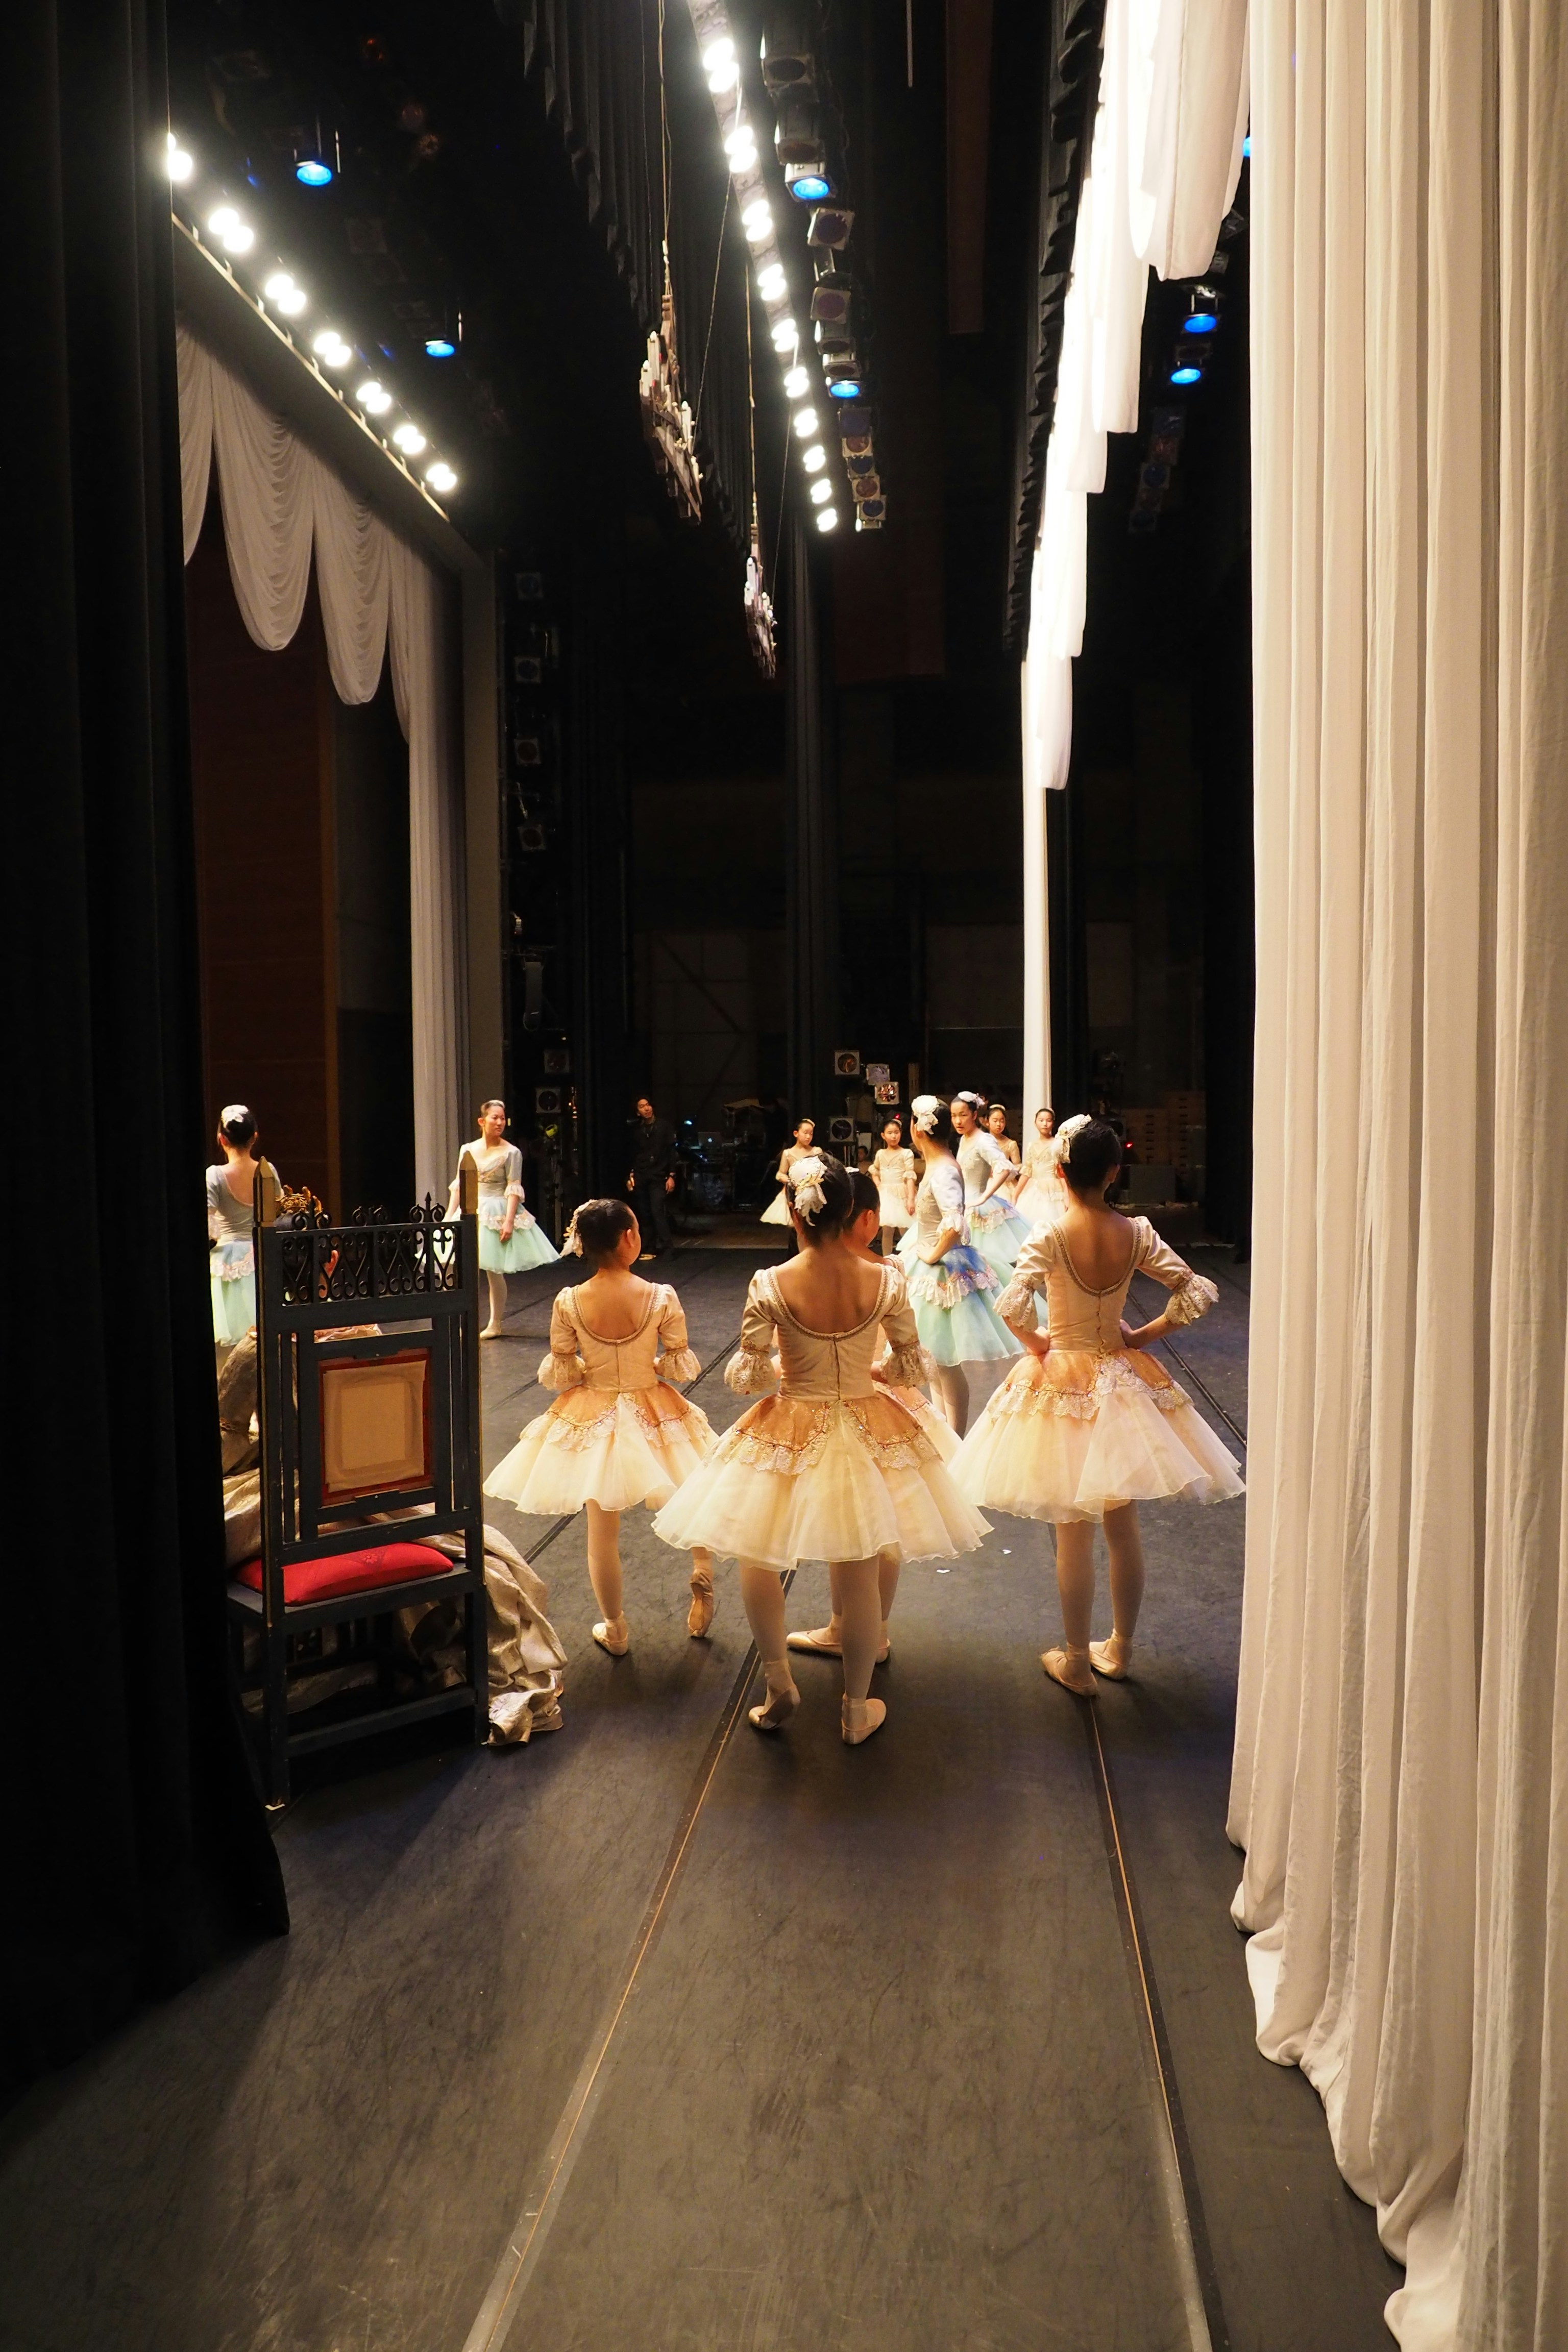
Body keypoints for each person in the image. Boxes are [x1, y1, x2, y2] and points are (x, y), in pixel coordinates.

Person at [653, 1152, 988, 1744]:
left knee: (756, 1549)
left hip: (790, 1419)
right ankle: (856, 1709)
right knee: (860, 1561)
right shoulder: (885, 1278)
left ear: (797, 1216)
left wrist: (790, 1363)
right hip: (865, 1420)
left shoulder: (771, 1283)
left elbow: (748, 1377)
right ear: (846, 1214)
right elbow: (911, 1365)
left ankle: (779, 1682)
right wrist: (867, 1367)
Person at [953, 1117, 1244, 1693]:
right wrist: (1141, 1337)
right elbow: (1196, 1291)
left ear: (1059, 1172)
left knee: (1073, 1529)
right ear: (1115, 1172)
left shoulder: (1052, 1235)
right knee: (1123, 1525)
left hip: (1062, 1379)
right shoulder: (1135, 1232)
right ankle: (1122, 1648)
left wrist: (1039, 1346)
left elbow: (1013, 1307)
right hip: (1120, 1376)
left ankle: (1076, 1660)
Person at [484, 1198, 718, 1652]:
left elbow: (563, 1371)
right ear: (629, 1238)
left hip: (594, 1410)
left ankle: (615, 1628)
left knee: (601, 1531)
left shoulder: (570, 1300)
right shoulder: (660, 1295)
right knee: (691, 1488)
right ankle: (703, 1565)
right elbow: (678, 1363)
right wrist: (644, 1364)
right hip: (653, 1405)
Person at [786, 1169, 955, 1669]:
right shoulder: (889, 1273)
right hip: (890, 1404)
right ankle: (869, 1628)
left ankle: (850, 1628)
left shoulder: (806, 1272)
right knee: (884, 1521)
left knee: (851, 1519)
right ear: (867, 1220)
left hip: (835, 1404)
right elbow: (910, 1353)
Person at [897, 1095, 1019, 1435]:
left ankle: (955, 1440)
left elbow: (955, 1225)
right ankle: (945, 1437)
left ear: (917, 1129)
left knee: (945, 1363)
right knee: (936, 1362)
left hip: (943, 1269)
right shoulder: (940, 1166)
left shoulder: (943, 1171)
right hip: (932, 1267)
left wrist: (933, 1254)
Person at [449, 1100, 558, 1339]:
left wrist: (508, 1221)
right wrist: (449, 1216)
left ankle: (495, 1323)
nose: (499, 1123)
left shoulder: (511, 1152)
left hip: (496, 1209)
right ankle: (462, 1321)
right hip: (471, 1209)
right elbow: (460, 1186)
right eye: (494, 1118)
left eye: (502, 1118)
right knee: (460, 1269)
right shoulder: (468, 1149)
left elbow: (513, 1188)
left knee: (493, 1270)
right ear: (482, 1121)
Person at [206, 1105, 282, 1348]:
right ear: (255, 1137)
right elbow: (279, 1215)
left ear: (221, 1139)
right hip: (261, 1258)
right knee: (266, 1339)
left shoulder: (215, 1176)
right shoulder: (268, 1171)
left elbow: (209, 1228)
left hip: (226, 1263)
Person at [951, 1090, 1034, 1281]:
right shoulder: (964, 1138)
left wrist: (984, 1197)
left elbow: (1005, 1168)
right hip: (963, 1202)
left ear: (974, 1115)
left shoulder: (984, 1140)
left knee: (986, 1265)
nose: (958, 1121)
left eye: (963, 1115)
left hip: (977, 1206)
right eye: (954, 1116)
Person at [628, 1096, 677, 1257]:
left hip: (659, 1175)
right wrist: (632, 1174)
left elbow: (671, 1153)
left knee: (658, 1210)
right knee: (644, 1212)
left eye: (648, 1105)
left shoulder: (664, 1127)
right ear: (638, 1112)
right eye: (642, 1106)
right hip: (642, 1174)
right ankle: (649, 1247)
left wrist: (672, 1175)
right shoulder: (637, 1131)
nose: (646, 1109)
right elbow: (634, 1155)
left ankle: (667, 1246)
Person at [869, 1113, 917, 1256]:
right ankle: (887, 1260)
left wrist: (911, 1199)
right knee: (887, 1231)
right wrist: (878, 1183)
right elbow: (874, 1169)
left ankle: (909, 1259)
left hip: (901, 1193)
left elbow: (910, 1176)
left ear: (901, 1134)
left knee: (906, 1230)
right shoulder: (881, 1154)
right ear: (883, 1136)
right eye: (890, 1133)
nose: (894, 1136)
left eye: (896, 1133)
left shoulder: (906, 1153)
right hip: (886, 1194)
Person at [758, 1115, 817, 1229]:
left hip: (812, 1191)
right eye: (805, 1133)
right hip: (794, 1191)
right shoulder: (788, 1153)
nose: (808, 1137)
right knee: (795, 1226)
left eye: (811, 1134)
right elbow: (780, 1174)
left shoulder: (816, 1151)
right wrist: (791, 1181)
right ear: (796, 1134)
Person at [1015, 1106, 1066, 1226]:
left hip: (1053, 1189)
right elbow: (1027, 1171)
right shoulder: (1032, 1145)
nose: (1045, 1124)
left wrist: (1067, 1196)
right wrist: (1016, 1195)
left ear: (1053, 1124)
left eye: (1049, 1121)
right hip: (1033, 1189)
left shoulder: (1057, 1144)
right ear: (1035, 1123)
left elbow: (1061, 1173)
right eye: (1041, 1120)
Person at [986, 1101, 1023, 1188]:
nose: (999, 1124)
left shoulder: (1011, 1144)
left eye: (1002, 1121)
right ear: (987, 1122)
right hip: (986, 1182)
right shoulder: (981, 1141)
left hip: (1005, 1184)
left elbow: (1018, 1166)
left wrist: (1008, 1171)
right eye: (995, 1121)